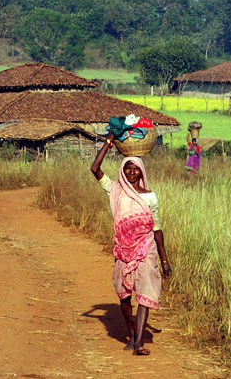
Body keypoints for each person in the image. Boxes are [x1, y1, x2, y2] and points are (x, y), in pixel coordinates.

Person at [91, 132, 172, 356]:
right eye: (127, 167)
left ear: (142, 171)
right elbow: (94, 169)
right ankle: (130, 332)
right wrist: (109, 140)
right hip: (123, 250)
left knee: (144, 293)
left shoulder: (150, 197)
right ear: (123, 170)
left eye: (135, 168)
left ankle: (138, 342)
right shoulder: (115, 190)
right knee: (124, 295)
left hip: (146, 248)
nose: (131, 171)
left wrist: (164, 260)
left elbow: (157, 229)